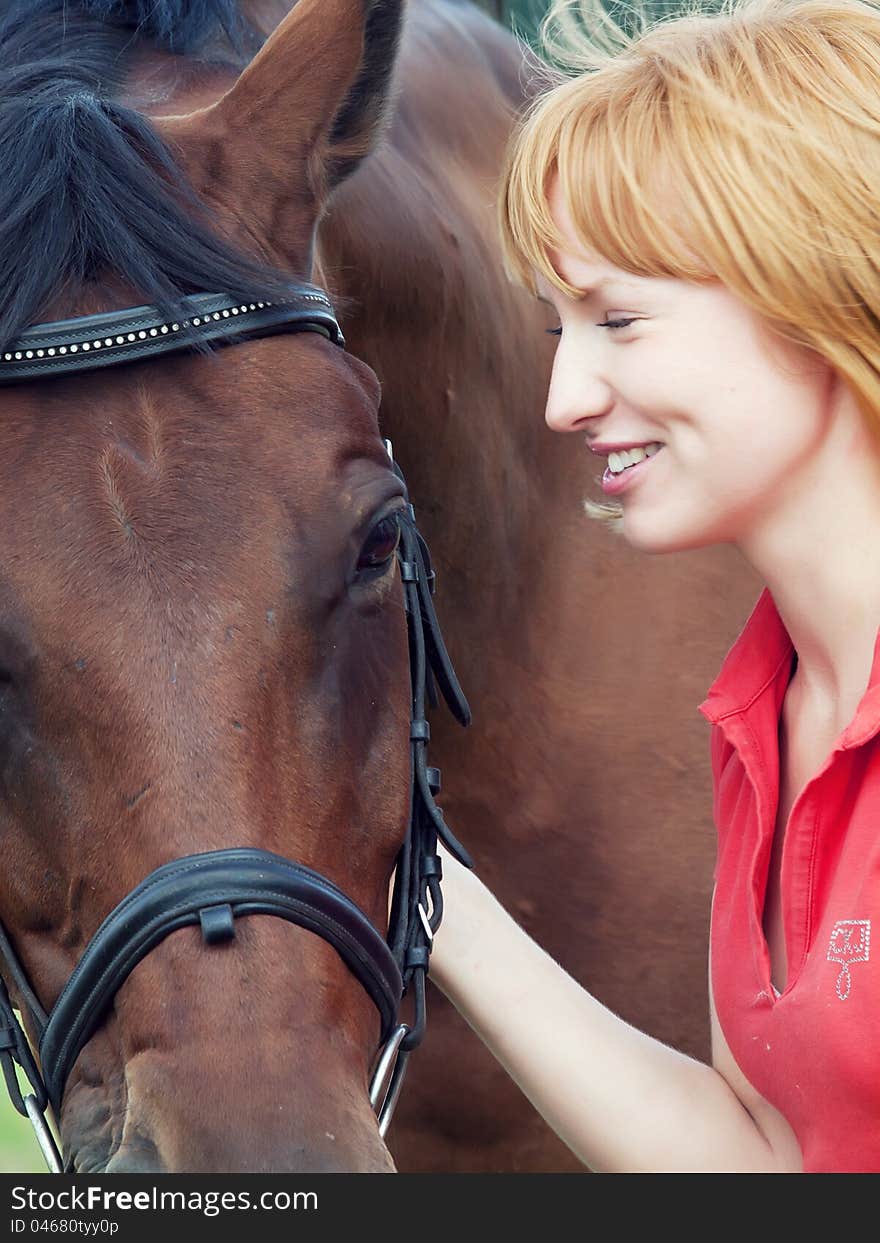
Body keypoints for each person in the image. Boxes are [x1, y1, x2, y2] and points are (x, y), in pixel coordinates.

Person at [423, 0, 880, 1173]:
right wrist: (431, 893)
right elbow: (764, 1158)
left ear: (818, 289)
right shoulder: (762, 711)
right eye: (557, 329)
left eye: (621, 319)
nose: (564, 399)